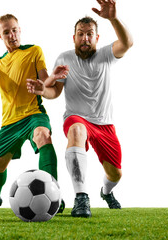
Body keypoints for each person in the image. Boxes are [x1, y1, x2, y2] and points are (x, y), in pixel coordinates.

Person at [27, 0, 133, 217]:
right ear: (73, 37)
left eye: (89, 34)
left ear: (97, 37)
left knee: (115, 174)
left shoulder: (105, 55)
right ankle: (81, 199)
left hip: (104, 124)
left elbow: (127, 43)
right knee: (76, 130)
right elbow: (54, 92)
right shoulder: (64, 58)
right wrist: (42, 90)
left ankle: (106, 192)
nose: (85, 38)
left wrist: (112, 18)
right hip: (76, 118)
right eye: (80, 34)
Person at [0, 14, 66, 212]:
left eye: (14, 30)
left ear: (20, 30)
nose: (12, 35)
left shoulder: (34, 51)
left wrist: (49, 81)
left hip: (34, 114)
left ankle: (54, 194)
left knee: (43, 136)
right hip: (10, 122)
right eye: (6, 32)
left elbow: (46, 84)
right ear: (0, 36)